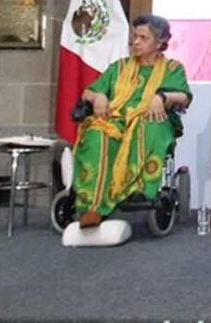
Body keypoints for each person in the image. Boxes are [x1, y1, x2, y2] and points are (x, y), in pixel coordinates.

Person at [72, 14, 193, 228]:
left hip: (151, 119)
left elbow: (183, 97)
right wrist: (98, 97)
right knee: (96, 134)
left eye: (143, 38)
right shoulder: (119, 68)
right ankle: (92, 207)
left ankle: (140, 190)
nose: (136, 42)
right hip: (116, 120)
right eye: (135, 37)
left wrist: (162, 97)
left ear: (159, 43)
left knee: (148, 127)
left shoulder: (172, 69)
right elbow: (88, 92)